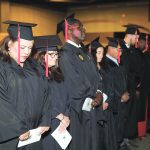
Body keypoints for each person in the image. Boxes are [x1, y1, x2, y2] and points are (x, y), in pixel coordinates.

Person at [0, 21, 50, 150]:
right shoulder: (2, 67)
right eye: (22, 47)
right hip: (12, 137)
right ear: (9, 44)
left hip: (35, 133)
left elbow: (46, 94)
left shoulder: (35, 67)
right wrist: (19, 128)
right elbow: (2, 102)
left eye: (30, 47)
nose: (27, 52)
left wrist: (45, 120)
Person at [57, 14, 104, 150]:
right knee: (82, 144)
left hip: (92, 105)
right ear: (69, 31)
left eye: (83, 27)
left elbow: (97, 77)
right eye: (80, 28)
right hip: (78, 111)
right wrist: (92, 97)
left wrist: (99, 92)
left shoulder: (84, 53)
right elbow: (74, 84)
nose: (84, 30)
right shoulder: (65, 54)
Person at [34, 35, 70, 150]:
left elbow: (67, 97)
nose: (55, 57)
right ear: (41, 56)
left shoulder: (58, 75)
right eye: (51, 54)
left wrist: (67, 117)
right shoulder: (36, 76)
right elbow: (41, 101)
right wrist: (60, 116)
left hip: (62, 123)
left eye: (56, 54)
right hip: (47, 124)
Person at [90, 37, 117, 150]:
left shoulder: (105, 68)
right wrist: (100, 102)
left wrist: (108, 100)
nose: (101, 55)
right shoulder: (90, 69)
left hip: (107, 107)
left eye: (102, 52)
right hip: (97, 108)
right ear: (93, 53)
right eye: (98, 53)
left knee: (108, 136)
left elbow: (111, 86)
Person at [105, 37, 129, 150]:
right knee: (113, 128)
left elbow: (124, 79)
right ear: (111, 49)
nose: (121, 52)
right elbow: (109, 85)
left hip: (122, 101)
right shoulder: (106, 64)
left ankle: (119, 144)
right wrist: (120, 96)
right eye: (119, 49)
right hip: (114, 102)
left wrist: (126, 91)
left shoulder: (119, 62)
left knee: (120, 126)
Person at [120, 24, 144, 140]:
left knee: (131, 114)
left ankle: (127, 137)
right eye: (136, 37)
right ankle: (121, 138)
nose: (137, 40)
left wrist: (138, 80)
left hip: (132, 86)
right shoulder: (119, 48)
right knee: (123, 114)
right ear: (131, 35)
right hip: (123, 87)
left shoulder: (132, 50)